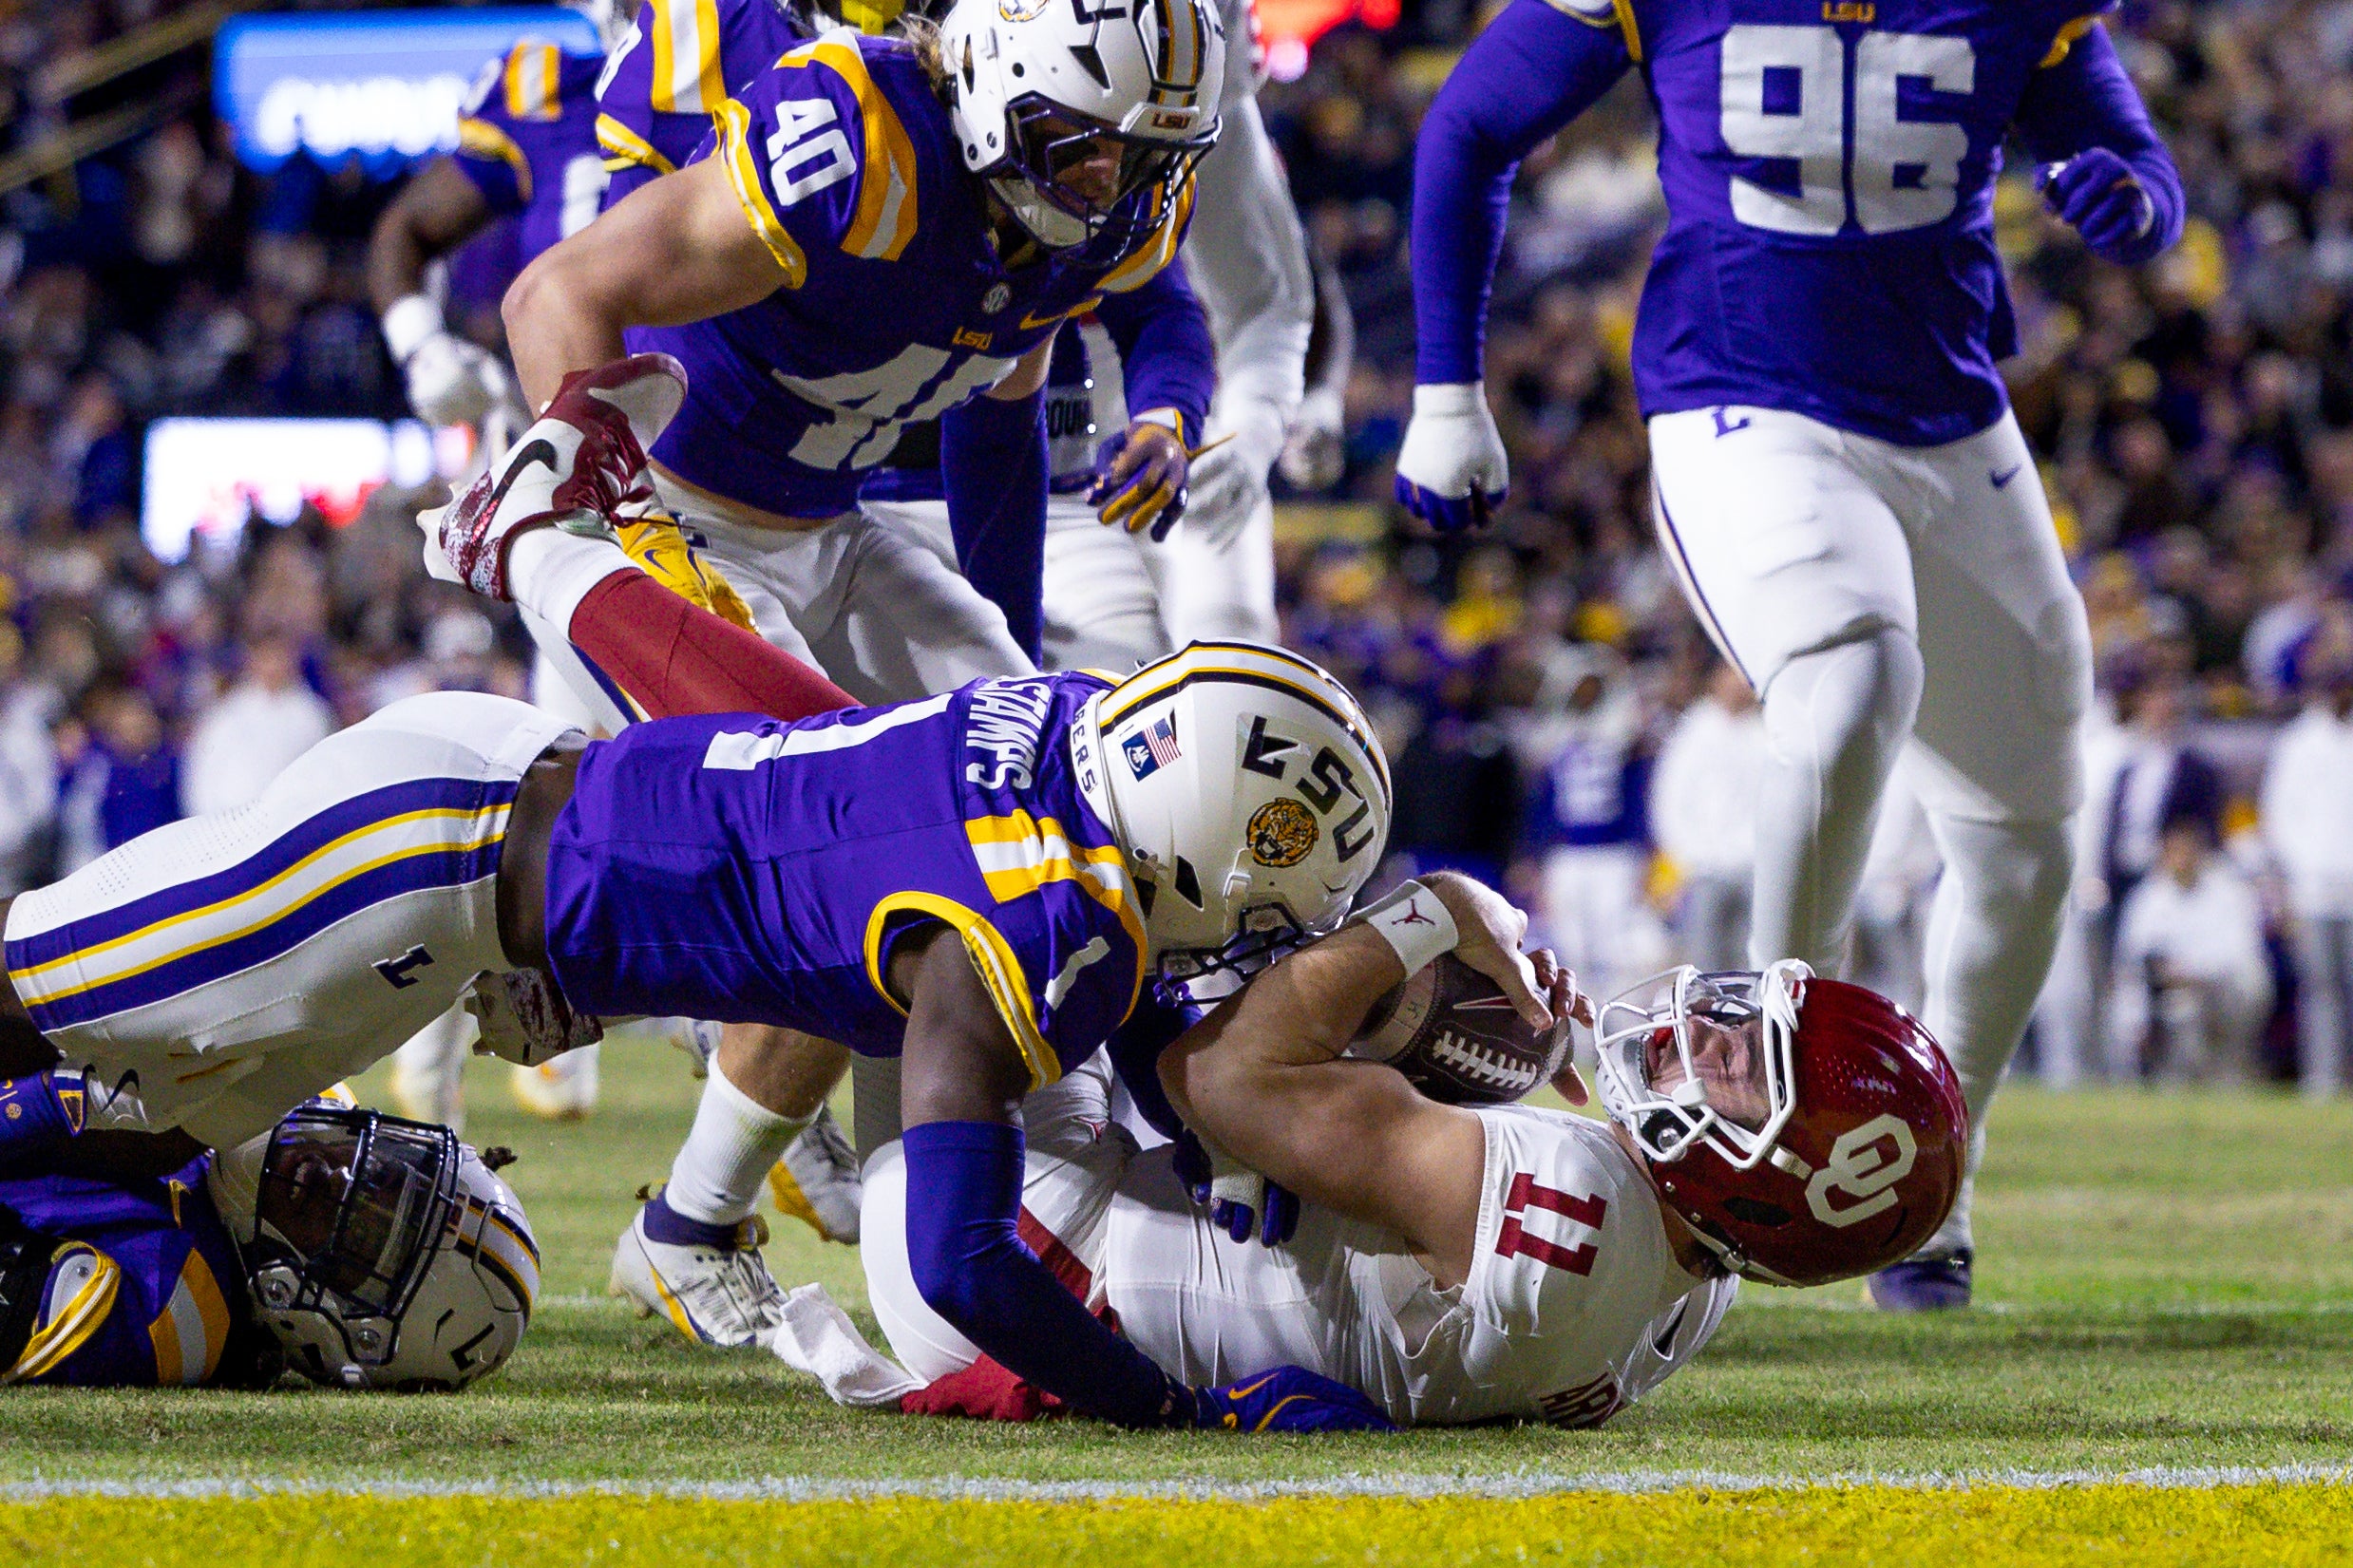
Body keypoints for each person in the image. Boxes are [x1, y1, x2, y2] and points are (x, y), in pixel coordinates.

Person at [0, 370, 1404, 1429]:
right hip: (416, 858)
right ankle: (544, 537)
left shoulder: (1060, 727)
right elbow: (965, 1263)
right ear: (1196, 842)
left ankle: (543, 533)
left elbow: (806, 731)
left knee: (152, 1122)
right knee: (34, 996)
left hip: (486, 846)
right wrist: (1174, 1408)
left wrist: (1235, 1152)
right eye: (1271, 897)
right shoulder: (1010, 938)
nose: (1268, 931)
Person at [1399, 0, 2186, 1309]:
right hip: (1738, 397)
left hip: (1951, 422)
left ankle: (1933, 1167)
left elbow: (2141, 164)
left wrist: (2135, 203)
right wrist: (1441, 388)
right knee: (1850, 680)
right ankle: (1745, 1137)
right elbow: (1473, 124)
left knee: (2026, 836)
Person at [503, 0, 1225, 1339]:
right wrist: (605, 531)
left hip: (831, 529)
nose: (1113, 188)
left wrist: (994, 705)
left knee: (1047, 783)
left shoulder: (1099, 203)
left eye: (1141, 158)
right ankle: (689, 1223)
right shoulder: (855, 133)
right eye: (1086, 153)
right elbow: (556, 292)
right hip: (673, 514)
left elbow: (1002, 433)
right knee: (855, 843)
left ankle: (1076, 1156)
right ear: (1004, 93)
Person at [851, 943, 1966, 1427]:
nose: (1704, 1032)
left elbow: (1211, 1078)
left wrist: (1420, 912)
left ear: (1766, 1178)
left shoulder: (1556, 1184)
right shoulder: (1687, 1285)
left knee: (939, 869)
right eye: (1733, 1025)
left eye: (1740, 1067)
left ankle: (712, 1185)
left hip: (1027, 1266)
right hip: (1096, 1267)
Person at [0, 1093, 535, 1391]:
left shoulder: (177, 1307)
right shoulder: (315, 1098)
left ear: (348, 1330)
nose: (344, 1182)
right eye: (382, 1174)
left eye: (364, 1235)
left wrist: (50, 1102)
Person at [2107, 817, 2271, 1082]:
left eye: (2187, 851)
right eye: (2174, 852)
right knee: (2173, 1009)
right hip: (2169, 996)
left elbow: (2240, 955)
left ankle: (2229, 1067)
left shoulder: (2228, 891)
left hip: (2223, 992)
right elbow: (2131, 966)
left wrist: (2190, 972)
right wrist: (2134, 1021)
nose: (2181, 860)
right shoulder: (2147, 899)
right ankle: (2173, 1076)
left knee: (2246, 984)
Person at [2260, 657, 2353, 1095]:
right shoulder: (2298, 742)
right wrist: (2298, 870)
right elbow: (2279, 813)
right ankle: (2324, 1078)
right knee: (2320, 989)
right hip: (2313, 888)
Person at [1649, 662, 1763, 973]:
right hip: (1705, 868)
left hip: (1755, 867)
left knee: (1753, 962)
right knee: (1706, 962)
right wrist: (1686, 857)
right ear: (1717, 679)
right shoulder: (1695, 731)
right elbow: (1669, 799)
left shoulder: (1763, 732)